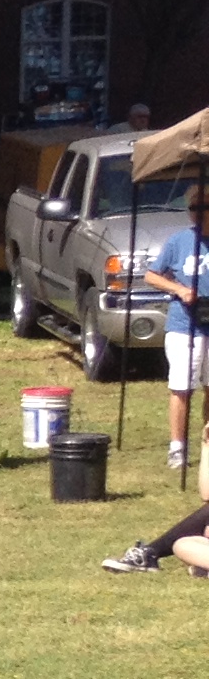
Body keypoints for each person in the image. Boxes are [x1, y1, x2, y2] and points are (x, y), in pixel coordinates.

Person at [133, 178, 209, 478]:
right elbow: (151, 275)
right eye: (193, 208)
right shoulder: (179, 241)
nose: (197, 214)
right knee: (182, 387)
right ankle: (177, 447)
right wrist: (178, 289)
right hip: (184, 325)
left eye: (203, 208)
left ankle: (207, 442)